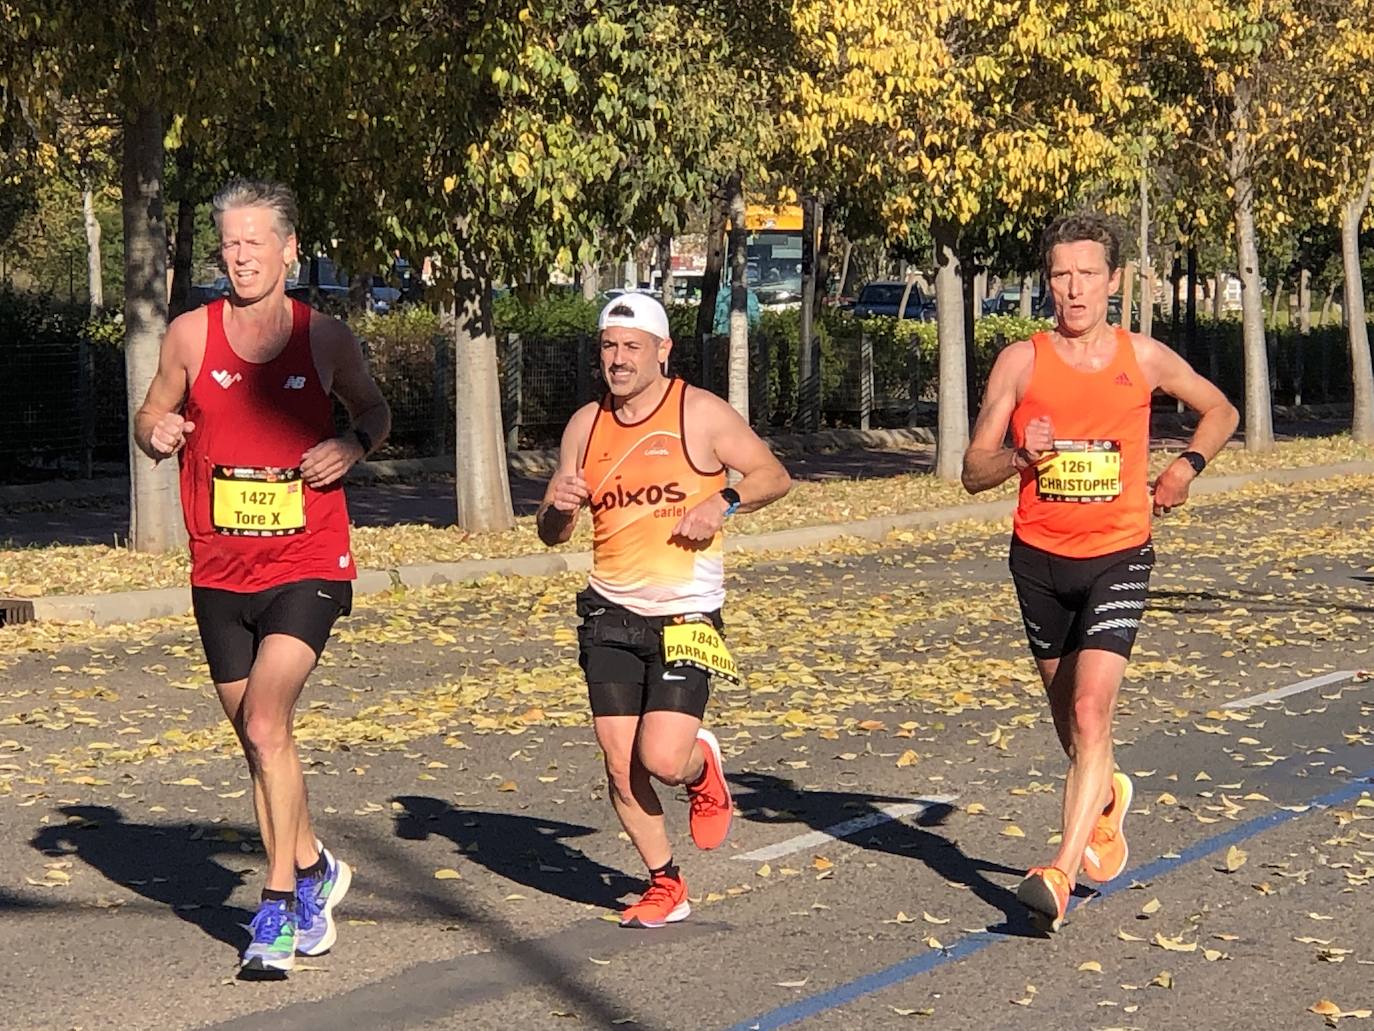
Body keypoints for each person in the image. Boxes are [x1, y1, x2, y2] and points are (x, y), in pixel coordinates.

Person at [133, 178, 390, 973]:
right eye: (230, 243)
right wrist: (161, 430)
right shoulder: (188, 335)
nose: (241, 255)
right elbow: (148, 418)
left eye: (255, 241)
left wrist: (350, 448)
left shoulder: (326, 338)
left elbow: (374, 413)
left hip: (308, 559)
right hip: (219, 566)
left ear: (288, 251)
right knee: (260, 742)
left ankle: (275, 906)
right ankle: (316, 867)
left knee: (267, 723)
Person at [961, 212, 1238, 930]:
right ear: (1048, 281)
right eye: (1061, 274)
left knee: (1092, 710)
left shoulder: (1142, 357)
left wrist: (1185, 467)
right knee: (1073, 726)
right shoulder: (1020, 363)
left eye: (1087, 274)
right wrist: (1022, 455)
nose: (1073, 288)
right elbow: (971, 469)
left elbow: (1221, 409)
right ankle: (1107, 799)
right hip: (1039, 562)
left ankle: (1057, 868)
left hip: (1119, 554)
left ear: (1112, 281)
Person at [538, 291, 791, 927]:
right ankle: (665, 883)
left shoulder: (698, 413)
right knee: (622, 768)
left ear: (662, 350)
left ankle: (701, 766)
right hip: (610, 612)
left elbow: (773, 474)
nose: (618, 360)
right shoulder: (583, 426)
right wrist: (559, 508)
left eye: (631, 347)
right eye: (608, 346)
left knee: (661, 760)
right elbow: (551, 532)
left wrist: (725, 500)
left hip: (688, 615)